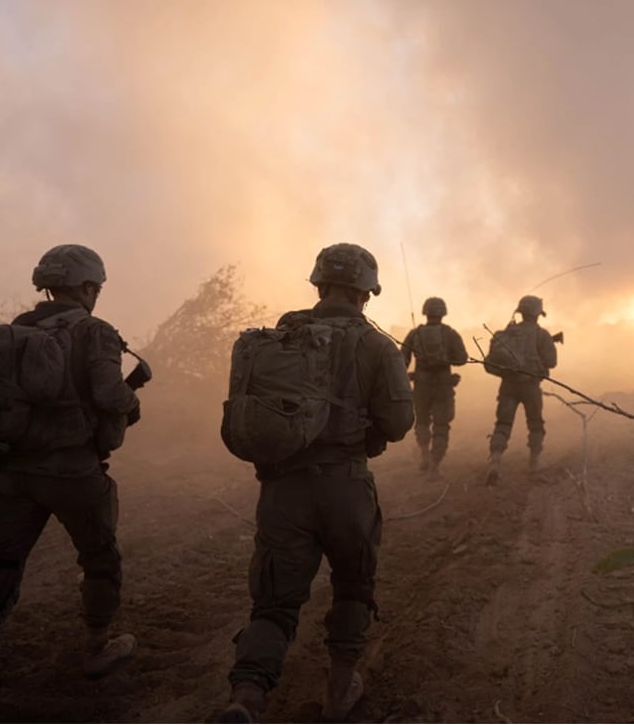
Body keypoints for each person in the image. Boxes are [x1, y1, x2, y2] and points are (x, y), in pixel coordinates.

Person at [0, 244, 143, 723]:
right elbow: (108, 392)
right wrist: (130, 399)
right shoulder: (95, 331)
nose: (97, 296)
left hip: (14, 472)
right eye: (96, 288)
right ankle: (97, 647)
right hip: (74, 473)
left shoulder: (19, 328)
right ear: (86, 288)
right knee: (100, 559)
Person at [221, 243, 414, 724]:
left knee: (274, 603)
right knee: (352, 585)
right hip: (346, 488)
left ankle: (246, 698)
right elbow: (398, 423)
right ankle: (340, 690)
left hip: (283, 490)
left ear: (318, 284)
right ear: (366, 292)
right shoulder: (376, 345)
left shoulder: (283, 337)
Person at [485, 295, 558, 485]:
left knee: (502, 424)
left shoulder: (507, 334)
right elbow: (552, 362)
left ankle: (495, 461)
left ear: (520, 312)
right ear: (537, 314)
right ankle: (534, 464)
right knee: (535, 424)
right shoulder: (541, 335)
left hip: (508, 386)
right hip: (530, 387)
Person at [400, 296, 469, 476]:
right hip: (443, 386)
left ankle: (424, 453)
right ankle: (435, 465)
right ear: (443, 313)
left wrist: (411, 375)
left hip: (421, 386)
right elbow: (462, 358)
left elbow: (401, 361)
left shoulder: (415, 334)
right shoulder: (450, 334)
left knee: (422, 421)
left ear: (425, 312)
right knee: (441, 424)